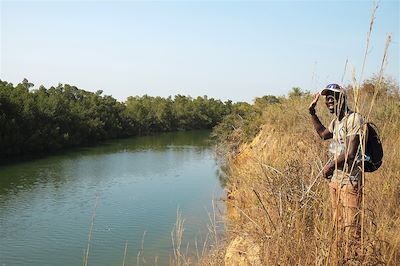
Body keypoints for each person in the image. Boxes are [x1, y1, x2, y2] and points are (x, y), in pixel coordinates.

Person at [308, 83, 364, 255]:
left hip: (349, 181)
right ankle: (340, 257)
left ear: (343, 98)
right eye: (327, 97)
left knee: (352, 228)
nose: (329, 99)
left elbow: (350, 153)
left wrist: (330, 165)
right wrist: (312, 113)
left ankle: (354, 258)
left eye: (334, 96)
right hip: (335, 181)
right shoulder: (337, 121)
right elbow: (324, 134)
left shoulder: (354, 119)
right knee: (338, 223)